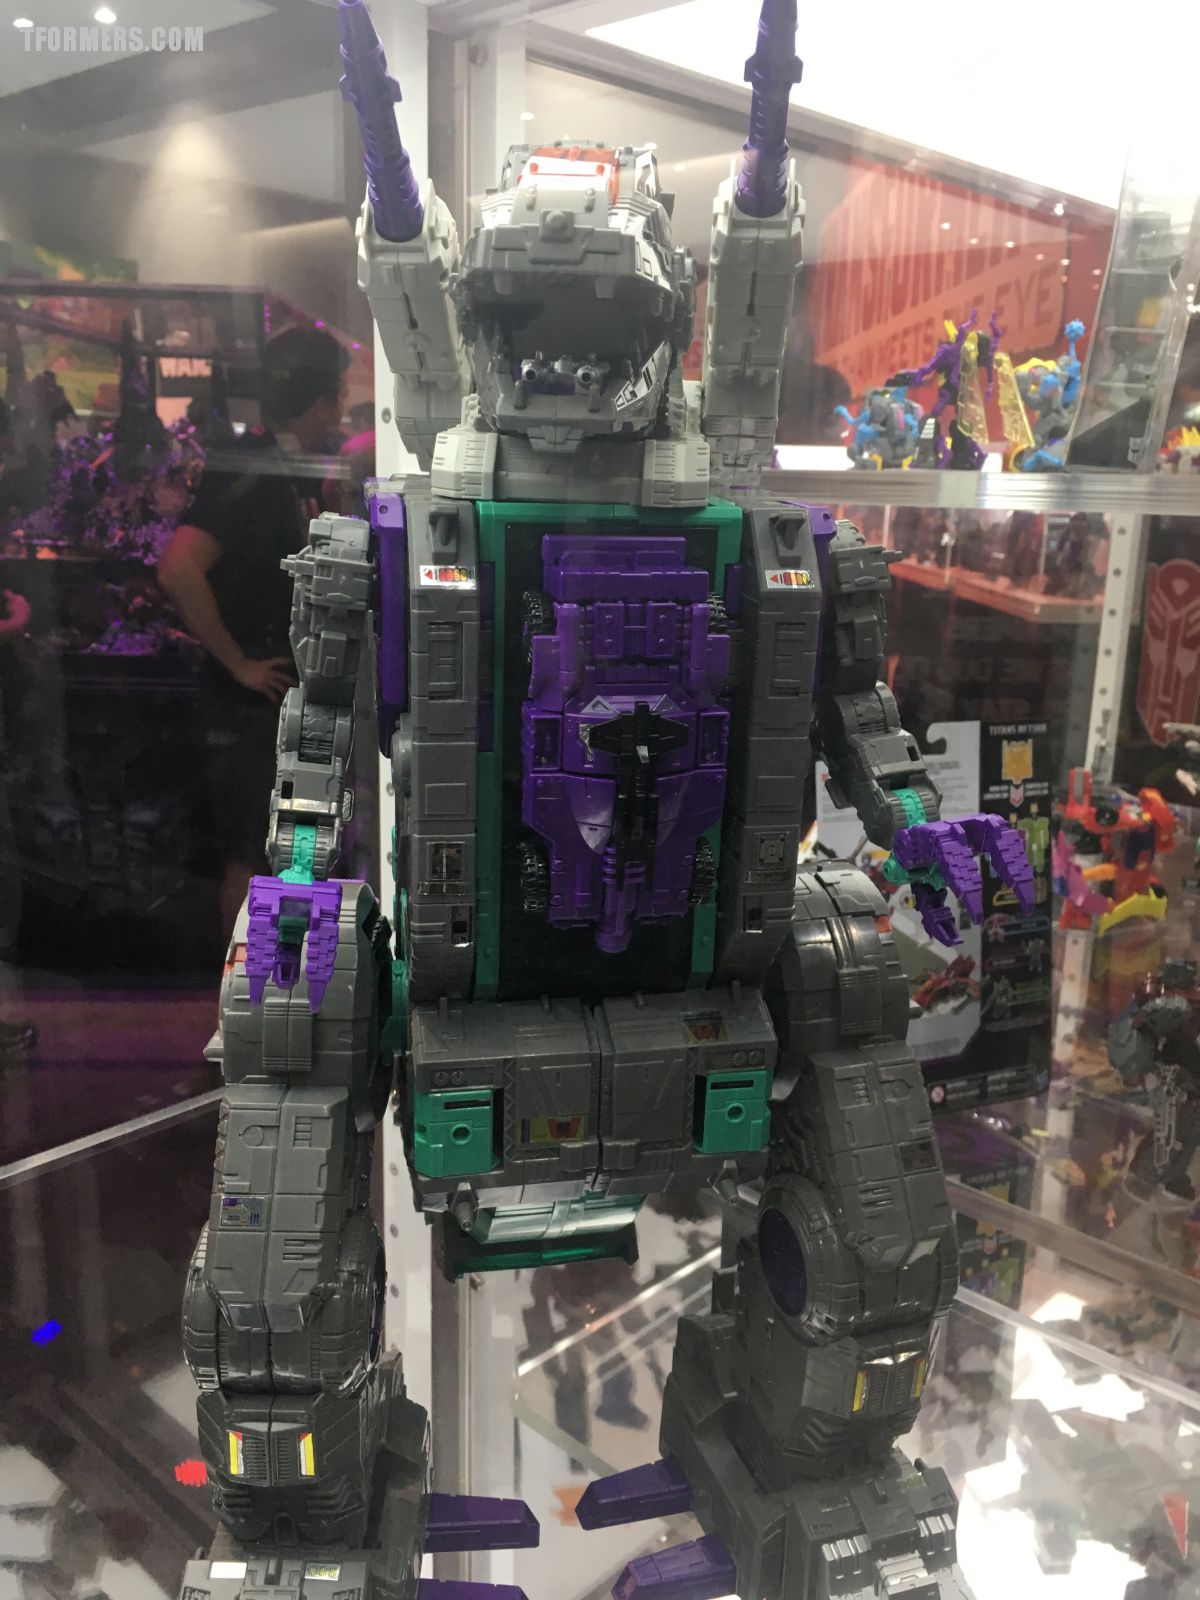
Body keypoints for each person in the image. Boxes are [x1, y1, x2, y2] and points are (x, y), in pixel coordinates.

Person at [158, 327, 349, 938]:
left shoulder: (287, 466)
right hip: (253, 702)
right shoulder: (257, 469)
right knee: (253, 851)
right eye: (339, 392)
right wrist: (238, 663)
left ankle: (274, 976)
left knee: (286, 847)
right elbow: (177, 566)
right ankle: (245, 984)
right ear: (324, 400)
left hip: (280, 695)